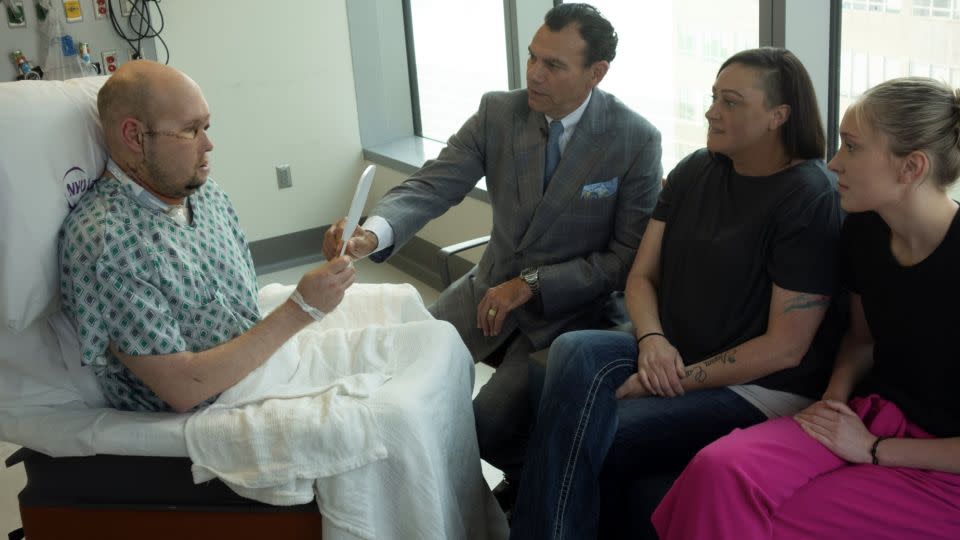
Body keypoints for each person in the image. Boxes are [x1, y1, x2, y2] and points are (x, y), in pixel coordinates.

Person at [323, 2, 663, 501]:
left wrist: (532, 286)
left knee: (489, 425)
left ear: (597, 73)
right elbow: (434, 184)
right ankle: (397, 490)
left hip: (569, 311)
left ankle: (529, 483)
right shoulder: (500, 113)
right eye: (532, 58)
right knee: (395, 367)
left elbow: (624, 260)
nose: (534, 74)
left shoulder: (634, 139)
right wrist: (371, 233)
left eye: (553, 65)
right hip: (487, 286)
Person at [509, 47, 847, 538]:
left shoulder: (809, 198)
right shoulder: (696, 170)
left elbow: (786, 347)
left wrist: (674, 379)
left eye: (731, 101)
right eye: (713, 97)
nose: (711, 110)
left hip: (758, 387)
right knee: (574, 349)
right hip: (673, 349)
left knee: (601, 432)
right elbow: (641, 276)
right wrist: (652, 341)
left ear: (779, 116)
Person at [652, 77, 960, 540]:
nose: (834, 162)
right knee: (717, 469)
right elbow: (862, 340)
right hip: (871, 414)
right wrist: (833, 402)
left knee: (778, 520)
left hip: (939, 460)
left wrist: (875, 449)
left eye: (852, 148)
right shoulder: (863, 230)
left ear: (911, 167)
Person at [58, 59, 356, 413]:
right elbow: (182, 388)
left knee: (426, 333)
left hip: (264, 363)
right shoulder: (106, 243)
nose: (209, 144)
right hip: (217, 409)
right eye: (191, 130)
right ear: (134, 136)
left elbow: (241, 308)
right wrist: (300, 309)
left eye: (207, 127)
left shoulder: (206, 195)